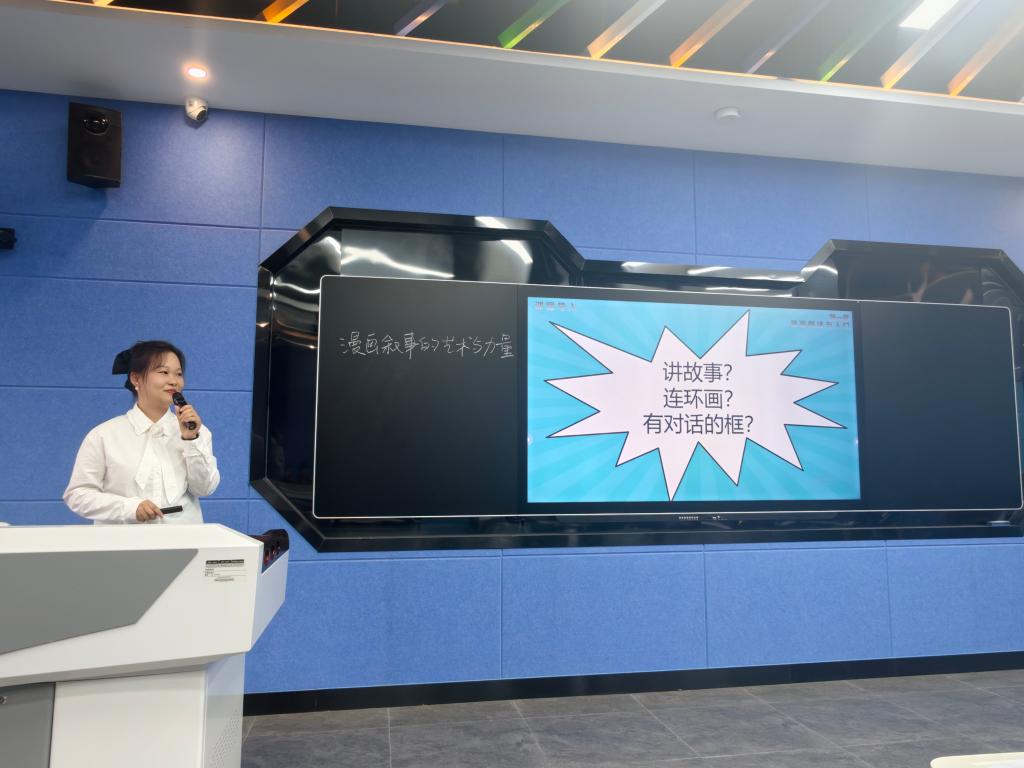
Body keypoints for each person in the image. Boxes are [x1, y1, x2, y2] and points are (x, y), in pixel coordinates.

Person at [64, 340, 220, 524]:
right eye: (163, 372)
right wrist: (129, 508)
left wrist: (191, 440)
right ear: (135, 379)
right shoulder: (104, 435)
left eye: (178, 374)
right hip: (123, 540)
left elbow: (205, 489)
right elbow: (78, 495)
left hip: (183, 538)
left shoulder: (197, 432)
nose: (173, 381)